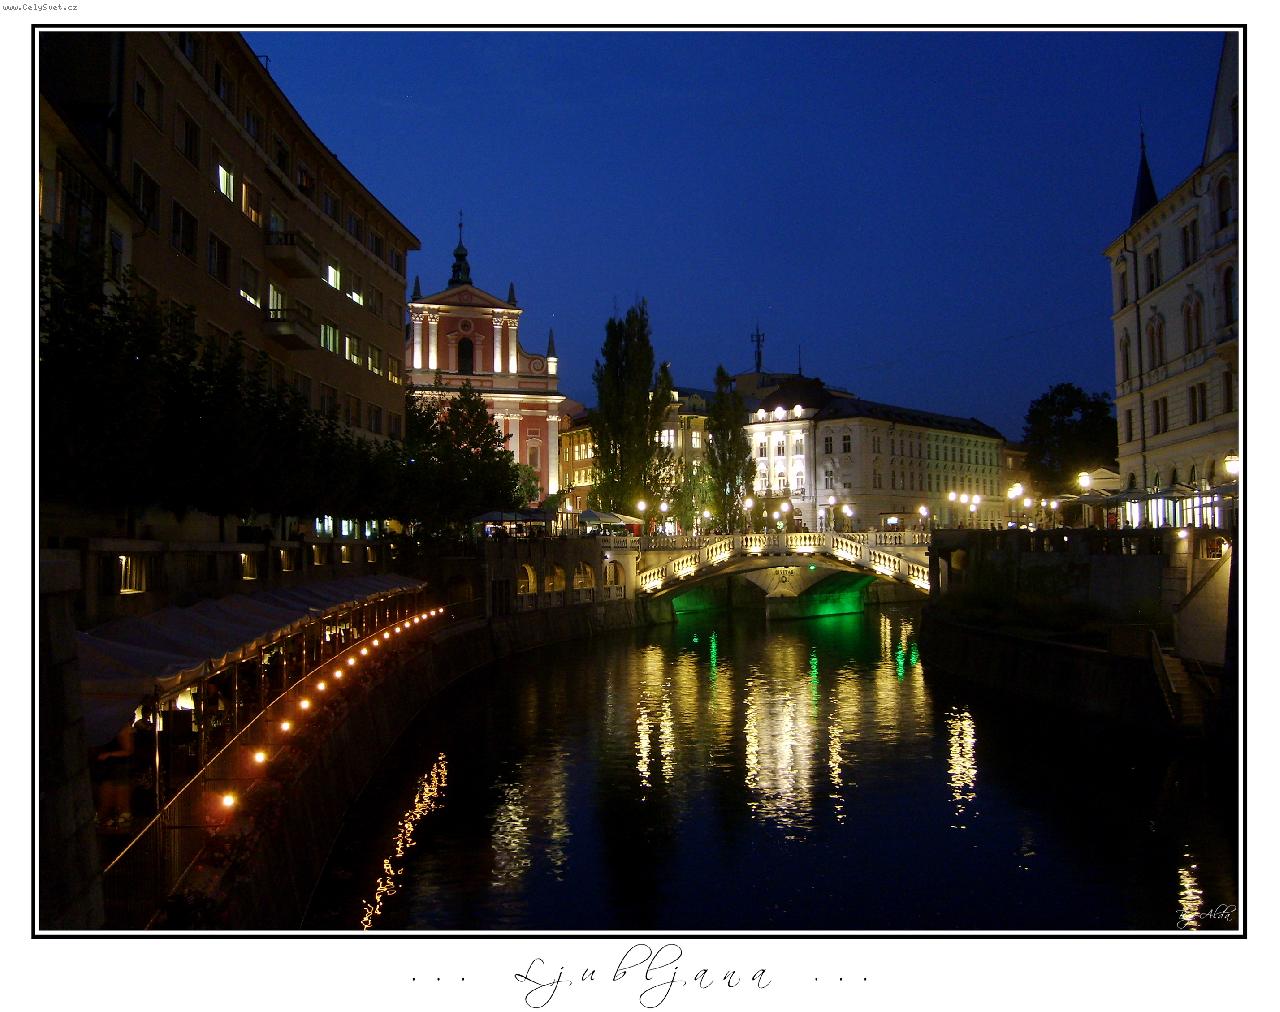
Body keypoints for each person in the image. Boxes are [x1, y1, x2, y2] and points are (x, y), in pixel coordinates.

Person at [94, 720, 135, 831]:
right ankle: (108, 818)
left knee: (117, 795)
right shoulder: (111, 729)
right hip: (111, 768)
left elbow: (128, 750)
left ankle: (118, 819)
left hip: (118, 767)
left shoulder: (122, 728)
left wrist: (109, 754)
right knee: (109, 795)